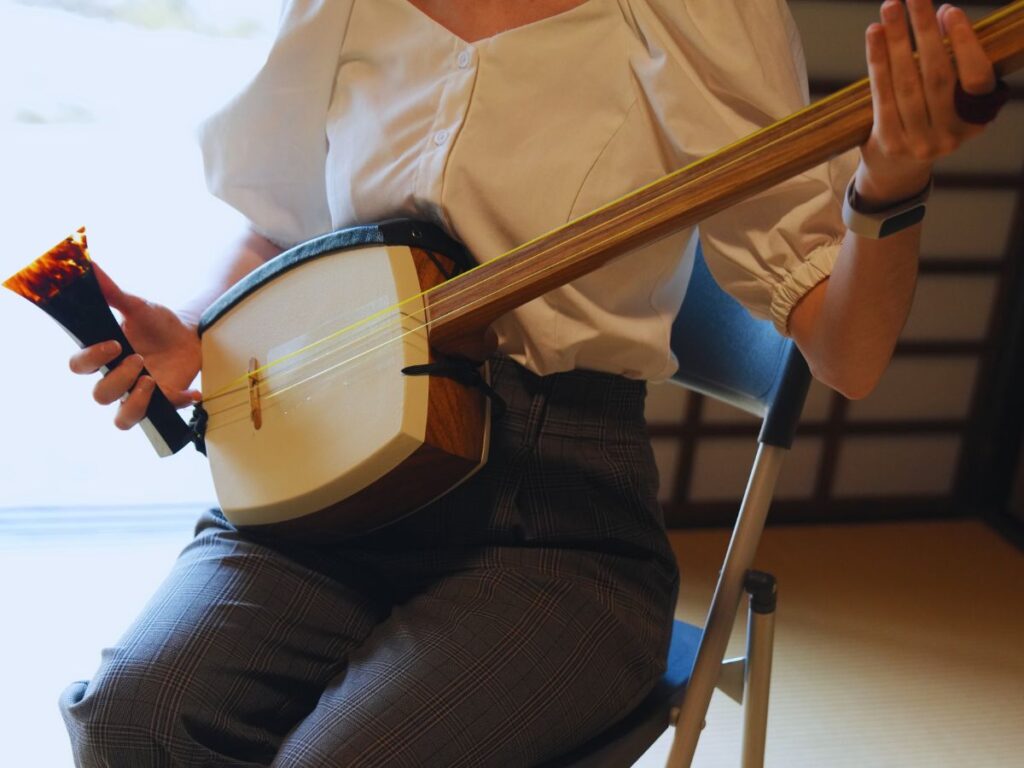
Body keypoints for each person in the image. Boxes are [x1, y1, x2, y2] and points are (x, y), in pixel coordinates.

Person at [58, 1, 1000, 765]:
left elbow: (850, 354)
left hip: (554, 525)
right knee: (135, 721)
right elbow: (277, 230)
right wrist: (200, 332)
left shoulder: (697, 16)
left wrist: (889, 182)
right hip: (328, 486)